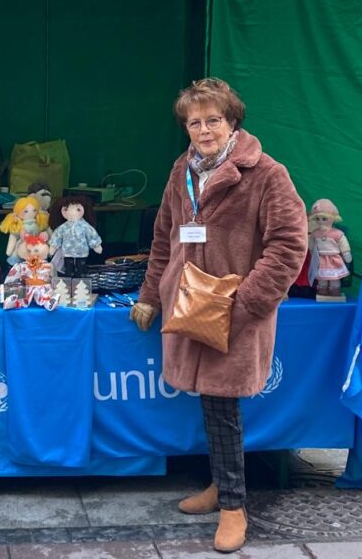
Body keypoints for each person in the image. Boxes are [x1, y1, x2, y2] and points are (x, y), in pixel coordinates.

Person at [129, 78, 306, 553]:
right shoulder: (180, 170)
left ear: (232, 122)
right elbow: (165, 237)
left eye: (213, 120)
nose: (204, 130)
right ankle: (219, 487)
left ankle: (233, 506)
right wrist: (151, 294)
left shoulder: (267, 173)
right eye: (194, 122)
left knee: (224, 405)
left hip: (234, 309)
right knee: (210, 401)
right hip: (189, 303)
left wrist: (245, 303)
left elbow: (289, 246)